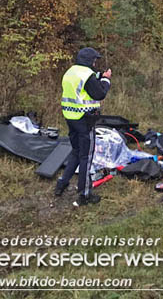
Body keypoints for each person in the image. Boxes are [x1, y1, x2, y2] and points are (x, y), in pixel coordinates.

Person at [55, 47, 112, 206]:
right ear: (89, 60)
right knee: (86, 156)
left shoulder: (71, 72)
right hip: (85, 120)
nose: (95, 63)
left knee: (76, 151)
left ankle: (62, 184)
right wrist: (106, 80)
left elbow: (89, 81)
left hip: (70, 117)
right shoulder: (87, 76)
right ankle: (85, 194)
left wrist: (101, 75)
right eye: (94, 60)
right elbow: (99, 93)